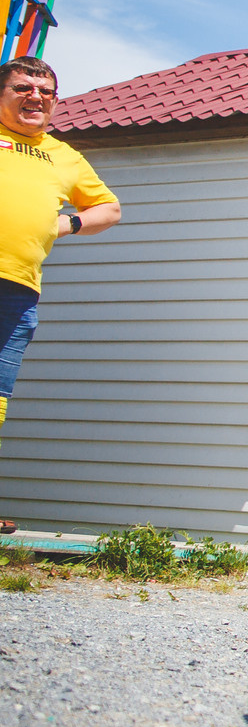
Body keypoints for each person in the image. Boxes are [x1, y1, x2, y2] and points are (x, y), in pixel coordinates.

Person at [0, 56, 121, 448]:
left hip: (17, 292)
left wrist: (68, 223)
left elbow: (109, 209)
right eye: (23, 88)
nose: (36, 97)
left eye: (45, 92)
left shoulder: (64, 155)